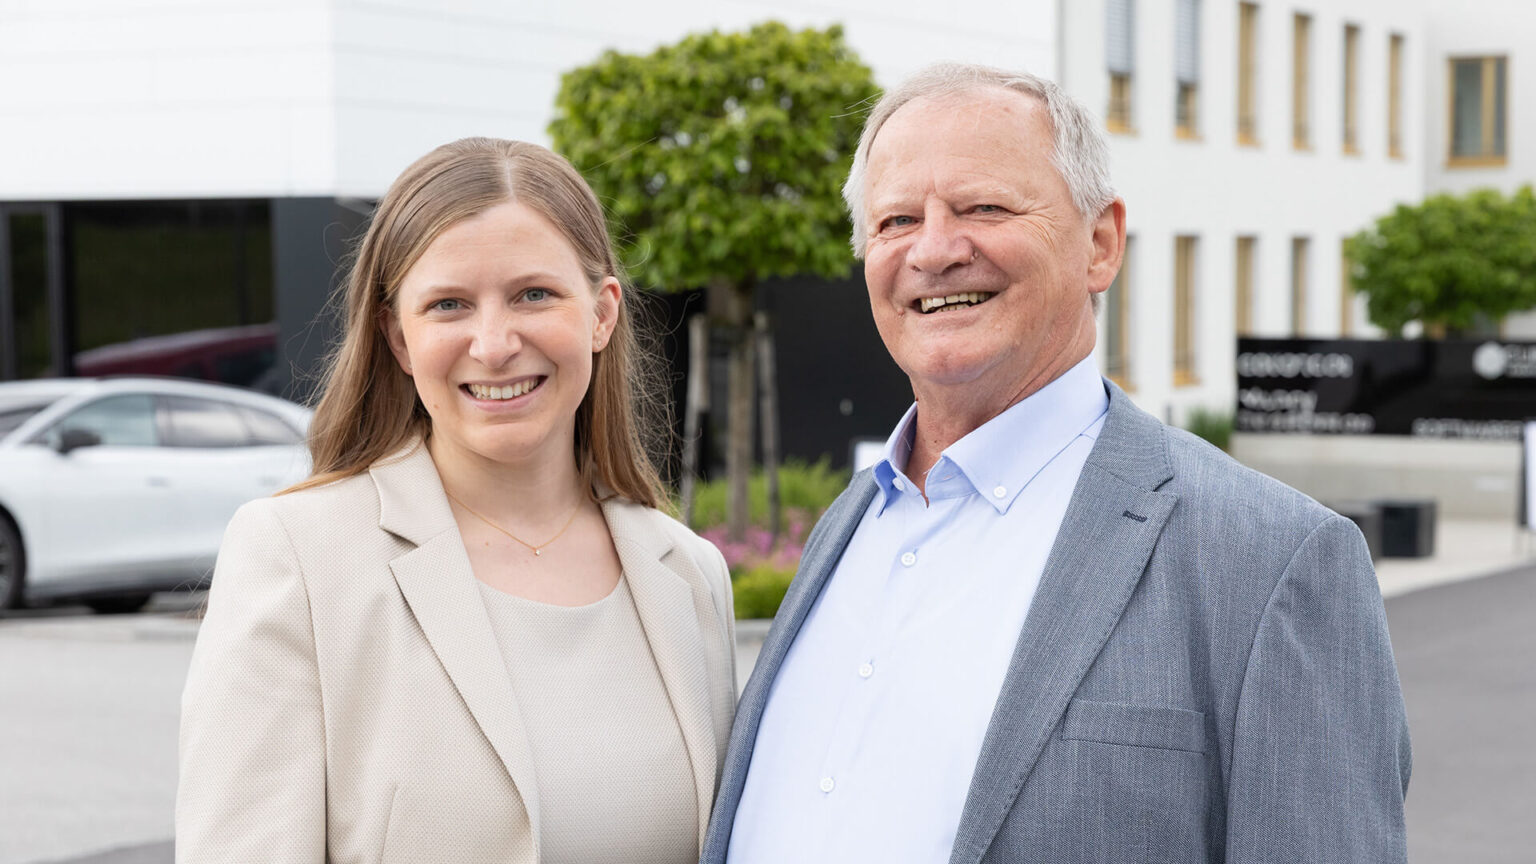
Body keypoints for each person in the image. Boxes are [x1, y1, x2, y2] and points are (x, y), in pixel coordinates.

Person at [705, 64, 1410, 863]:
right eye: (898, 219)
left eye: (984, 207)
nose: (934, 250)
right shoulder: (848, 525)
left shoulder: (1270, 560)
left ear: (1100, 245)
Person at [177, 138, 737, 864]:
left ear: (601, 315)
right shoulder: (297, 557)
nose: (495, 343)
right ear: (398, 338)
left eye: (534, 294)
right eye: (448, 304)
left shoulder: (689, 576)